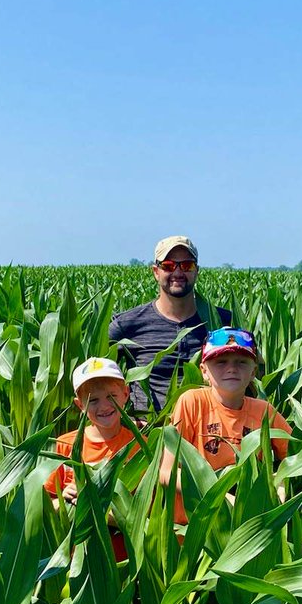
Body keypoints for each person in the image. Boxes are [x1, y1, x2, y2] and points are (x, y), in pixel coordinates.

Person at [161, 327, 291, 522]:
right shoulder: (192, 403)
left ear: (253, 371)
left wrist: (279, 483)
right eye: (221, 362)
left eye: (241, 362)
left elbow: (296, 457)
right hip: (192, 525)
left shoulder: (264, 412)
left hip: (247, 523)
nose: (232, 368)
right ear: (204, 371)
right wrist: (222, 498)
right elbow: (165, 473)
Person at [109, 236, 232, 413]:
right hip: (148, 432)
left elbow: (252, 374)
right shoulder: (127, 324)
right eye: (168, 265)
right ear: (155, 271)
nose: (178, 272)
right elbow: (96, 380)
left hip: (207, 430)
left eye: (187, 265)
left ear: (197, 270)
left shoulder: (222, 321)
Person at [44, 357, 137, 561]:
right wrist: (63, 499)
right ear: (79, 404)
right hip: (74, 560)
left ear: (125, 394)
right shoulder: (64, 445)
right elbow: (43, 507)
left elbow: (145, 515)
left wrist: (94, 504)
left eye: (111, 396)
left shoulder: (139, 447)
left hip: (125, 561)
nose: (104, 406)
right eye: (93, 400)